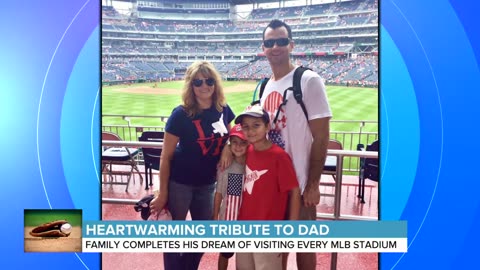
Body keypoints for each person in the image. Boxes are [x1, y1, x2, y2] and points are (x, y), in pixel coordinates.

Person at [260, 19, 332, 270]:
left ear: (291, 45)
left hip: (300, 184)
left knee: (304, 246)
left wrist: (313, 184)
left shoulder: (308, 80)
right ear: (263, 48)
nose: (275, 47)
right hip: (273, 184)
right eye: (270, 42)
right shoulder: (264, 86)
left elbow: (321, 137)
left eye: (281, 41)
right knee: (277, 248)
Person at [150, 60, 235, 270]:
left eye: (209, 80)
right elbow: (166, 156)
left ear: (215, 83)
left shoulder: (223, 110)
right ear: (191, 85)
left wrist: (228, 146)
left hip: (207, 184)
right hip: (180, 182)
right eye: (198, 82)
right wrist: (162, 193)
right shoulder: (180, 114)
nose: (204, 86)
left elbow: (233, 136)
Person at [234, 105, 301, 270]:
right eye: (246, 127)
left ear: (267, 127)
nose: (250, 131)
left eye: (256, 125)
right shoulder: (244, 152)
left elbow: (294, 192)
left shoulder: (279, 156)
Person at [213, 124, 248, 270]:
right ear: (230, 143)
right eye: (234, 142)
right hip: (228, 220)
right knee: (225, 253)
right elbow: (219, 193)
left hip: (248, 218)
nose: (238, 146)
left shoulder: (253, 162)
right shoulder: (225, 166)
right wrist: (215, 216)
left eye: (242, 143)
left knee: (245, 257)